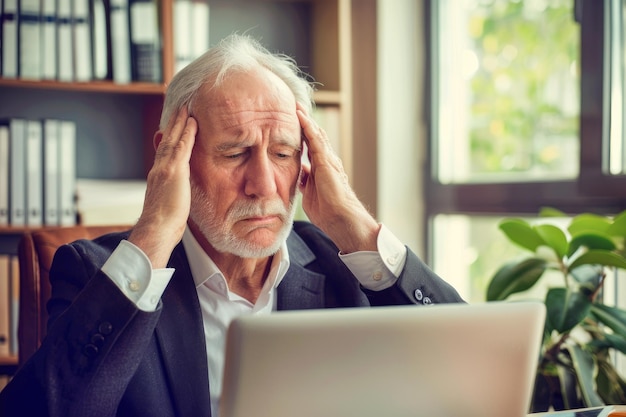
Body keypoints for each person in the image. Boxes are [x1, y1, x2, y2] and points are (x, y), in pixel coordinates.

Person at [0, 34, 464, 417]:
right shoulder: (94, 273)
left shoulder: (345, 263)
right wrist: (157, 230)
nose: (263, 185)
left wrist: (357, 226)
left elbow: (468, 374)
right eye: (235, 153)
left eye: (283, 154)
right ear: (172, 155)